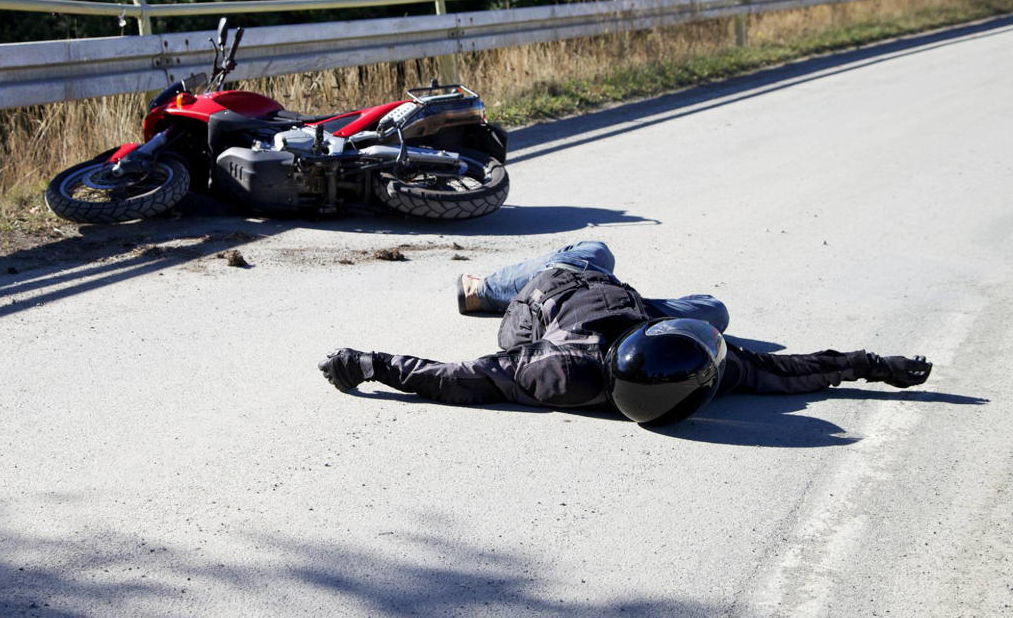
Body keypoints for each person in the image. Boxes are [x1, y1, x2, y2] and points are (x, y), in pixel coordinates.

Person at [317, 241, 932, 425]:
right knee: (714, 312)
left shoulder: (556, 373)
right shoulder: (693, 370)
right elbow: (790, 371)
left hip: (546, 296)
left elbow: (460, 379)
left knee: (595, 250)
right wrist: (870, 362)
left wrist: (372, 364)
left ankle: (486, 288)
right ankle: (493, 284)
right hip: (593, 293)